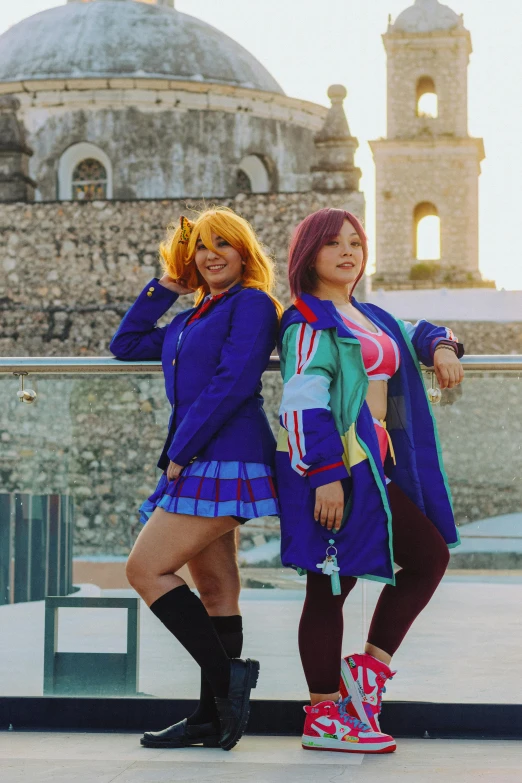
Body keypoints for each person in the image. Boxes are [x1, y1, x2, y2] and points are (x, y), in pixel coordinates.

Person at [276, 208, 464, 754]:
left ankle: (363, 680)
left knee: (425, 559)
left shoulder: (370, 315)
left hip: (376, 469)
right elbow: (302, 401)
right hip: (336, 465)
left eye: (355, 242)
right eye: (333, 243)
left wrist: (443, 348)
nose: (348, 251)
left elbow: (422, 332)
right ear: (308, 254)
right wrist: (326, 477)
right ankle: (322, 717)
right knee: (329, 585)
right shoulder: (307, 321)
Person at [110, 207, 281, 751]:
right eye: (201, 246)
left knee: (145, 569)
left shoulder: (253, 304)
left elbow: (234, 381)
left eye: (223, 244)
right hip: (200, 458)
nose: (211, 254)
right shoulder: (187, 320)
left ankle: (229, 679)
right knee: (215, 589)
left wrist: (178, 453)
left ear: (243, 253)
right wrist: (166, 287)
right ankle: (211, 718)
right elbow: (126, 343)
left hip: (225, 457)